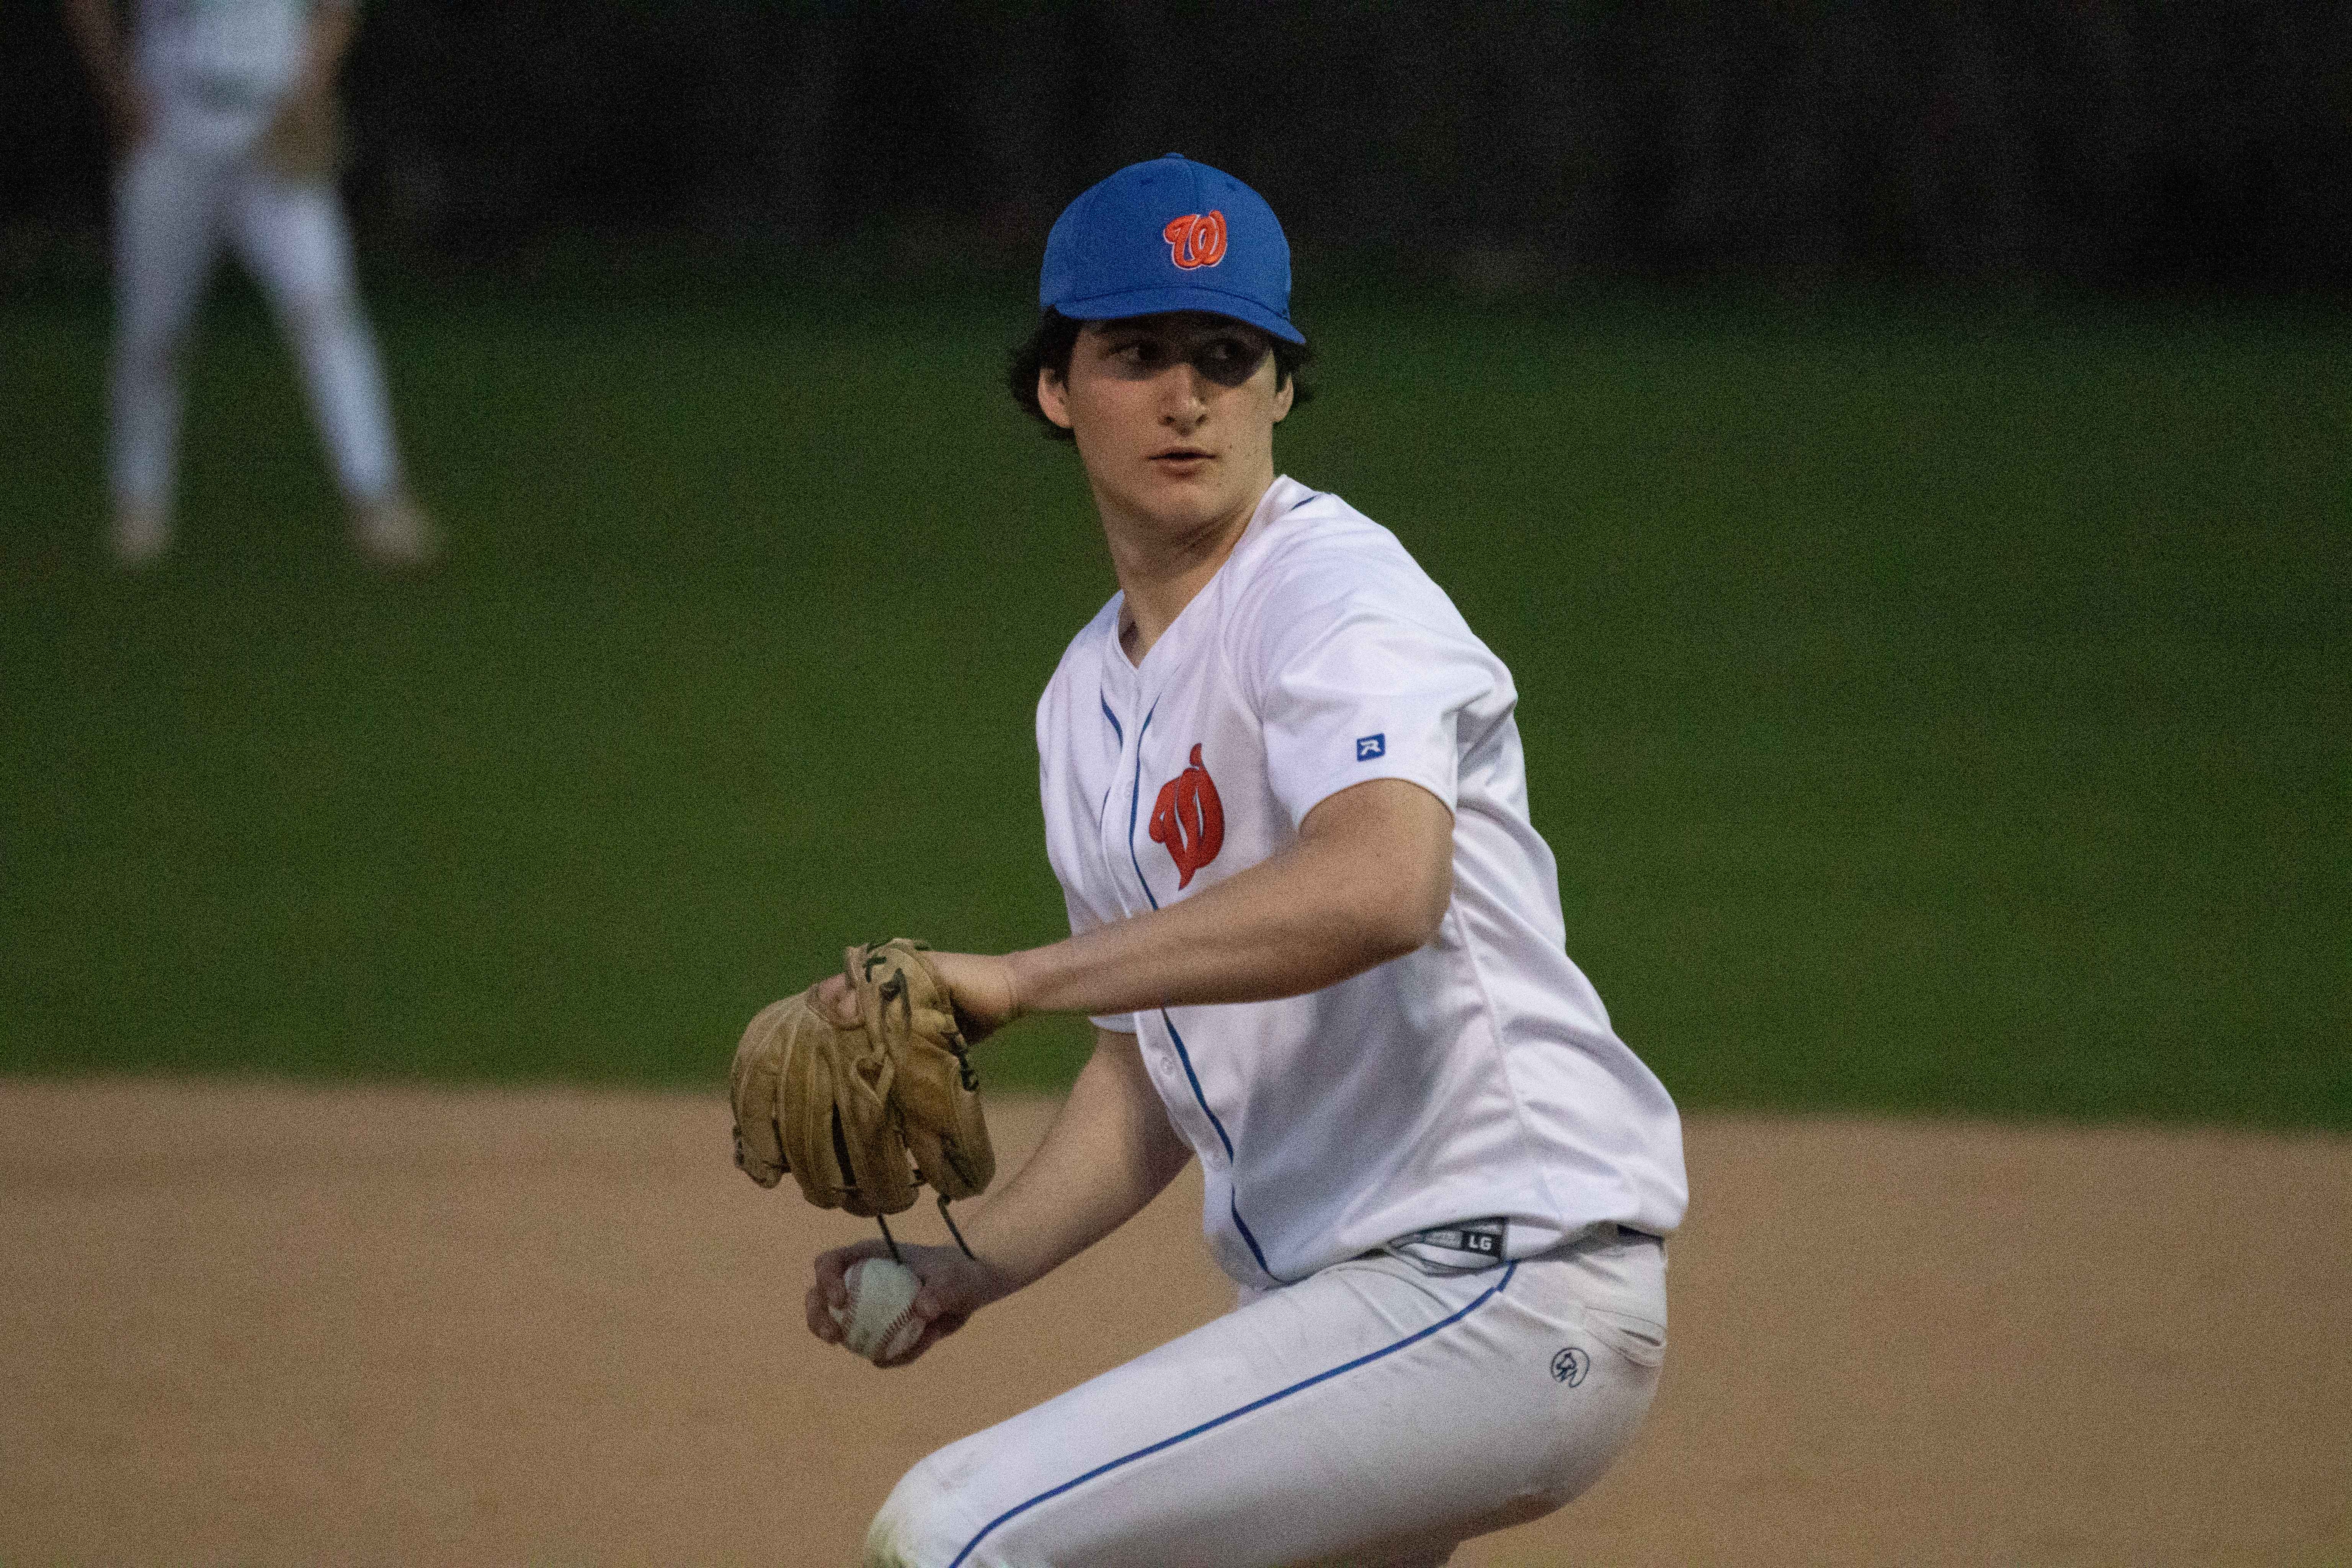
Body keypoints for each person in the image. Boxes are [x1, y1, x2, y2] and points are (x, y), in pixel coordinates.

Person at [805, 154, 1687, 1567]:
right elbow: (1153, 1059)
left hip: (1496, 1284)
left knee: (954, 1531)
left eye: (1228, 353)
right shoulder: (1082, 699)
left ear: (1281, 387)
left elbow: (1384, 883)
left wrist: (1018, 976)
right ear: (1054, 388)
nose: (1186, 393)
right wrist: (977, 1264)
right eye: (1137, 351)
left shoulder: (1334, 597)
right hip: (1361, 1310)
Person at [62, 0, 437, 569]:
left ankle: (376, 499)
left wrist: (312, 86)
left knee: (326, 315)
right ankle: (139, 505)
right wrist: (117, 88)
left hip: (274, 126)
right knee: (154, 330)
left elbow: (338, 10)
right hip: (173, 127)